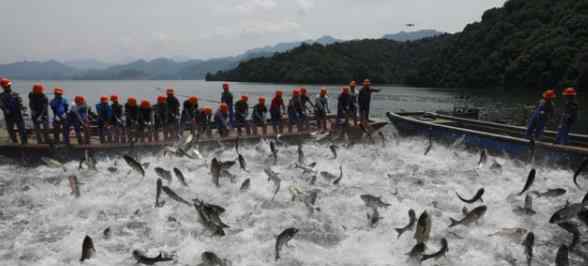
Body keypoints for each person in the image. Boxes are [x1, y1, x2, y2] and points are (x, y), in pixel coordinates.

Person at [0, 78, 27, 144]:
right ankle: (15, 142)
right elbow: (1, 104)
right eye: (6, 86)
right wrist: (5, 109)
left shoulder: (15, 94)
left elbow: (20, 102)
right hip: (9, 116)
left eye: (9, 86)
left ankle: (24, 143)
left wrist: (22, 107)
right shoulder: (1, 96)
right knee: (10, 130)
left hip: (18, 114)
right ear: (3, 87)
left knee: (22, 130)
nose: (8, 87)